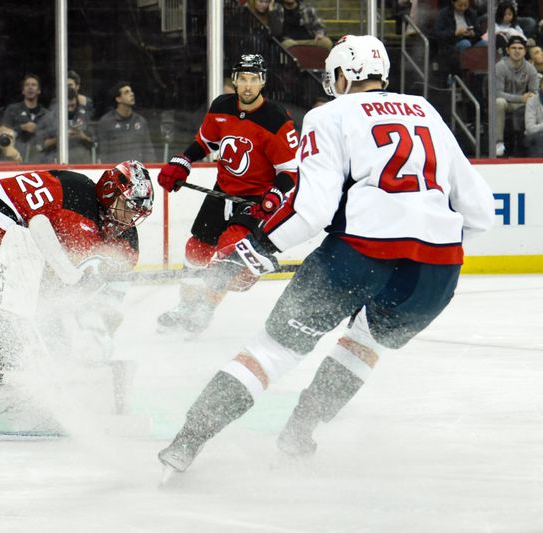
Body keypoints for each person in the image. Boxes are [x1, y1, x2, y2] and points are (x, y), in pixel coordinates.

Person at [158, 35, 494, 475]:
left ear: (342, 75)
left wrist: (255, 249)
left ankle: (186, 444)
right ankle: (299, 433)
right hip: (436, 274)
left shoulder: (328, 114)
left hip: (356, 255)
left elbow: (311, 211)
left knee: (270, 353)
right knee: (362, 347)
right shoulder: (426, 110)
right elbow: (481, 212)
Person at [0, 160, 154, 369]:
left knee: (54, 303)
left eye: (136, 212)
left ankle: (44, 361)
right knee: (9, 295)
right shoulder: (76, 192)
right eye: (127, 207)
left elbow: (109, 299)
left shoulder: (126, 242)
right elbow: (38, 226)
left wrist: (98, 333)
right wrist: (72, 277)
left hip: (26, 235)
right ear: (109, 192)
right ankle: (3, 343)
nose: (131, 218)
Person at [156, 53, 298, 335]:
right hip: (223, 193)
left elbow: (290, 172)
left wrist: (273, 196)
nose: (247, 86)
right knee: (196, 249)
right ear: (234, 80)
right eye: (242, 79)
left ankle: (204, 309)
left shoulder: (276, 119)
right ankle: (186, 306)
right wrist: (183, 161)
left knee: (226, 256)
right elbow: (205, 142)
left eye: (253, 80)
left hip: (255, 202)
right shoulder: (221, 106)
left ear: (263, 82)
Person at [495, 35, 538, 156]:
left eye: (520, 48)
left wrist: (527, 98)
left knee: (535, 101)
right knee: (499, 102)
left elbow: (534, 92)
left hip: (524, 103)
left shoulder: (530, 69)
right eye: (513, 48)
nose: (517, 51)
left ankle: (535, 140)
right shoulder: (500, 67)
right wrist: (521, 98)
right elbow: (497, 92)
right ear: (507, 50)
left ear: (525, 51)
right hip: (507, 103)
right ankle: (498, 142)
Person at [96, 81, 155, 164]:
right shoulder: (106, 122)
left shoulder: (141, 121)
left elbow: (149, 151)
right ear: (118, 99)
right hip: (117, 173)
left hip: (138, 173)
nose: (132, 94)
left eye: (131, 91)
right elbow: (103, 153)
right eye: (126, 92)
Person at [36, 88, 95, 164]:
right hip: (55, 164)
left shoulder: (83, 116)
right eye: (67, 106)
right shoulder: (48, 119)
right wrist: (60, 138)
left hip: (81, 164)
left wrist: (83, 136)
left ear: (76, 102)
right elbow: (40, 146)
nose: (70, 109)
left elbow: (95, 143)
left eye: (72, 105)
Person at [1, 74, 49, 163]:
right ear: (23, 91)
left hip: (39, 161)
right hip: (15, 160)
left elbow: (50, 136)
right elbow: (3, 132)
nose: (30, 87)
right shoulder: (12, 110)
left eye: (34, 85)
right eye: (27, 85)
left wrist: (38, 130)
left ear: (39, 91)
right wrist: (21, 128)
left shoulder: (46, 114)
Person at [268, 0, 333, 51]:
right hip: (290, 41)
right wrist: (271, 12)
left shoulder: (307, 8)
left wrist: (320, 34)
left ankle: (324, 67)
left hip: (310, 40)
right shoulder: (277, 9)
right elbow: (276, 32)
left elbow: (319, 26)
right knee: (286, 44)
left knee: (327, 42)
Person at [523, 74, 543, 156]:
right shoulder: (532, 101)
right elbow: (530, 128)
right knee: (539, 139)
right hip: (537, 136)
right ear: (540, 86)